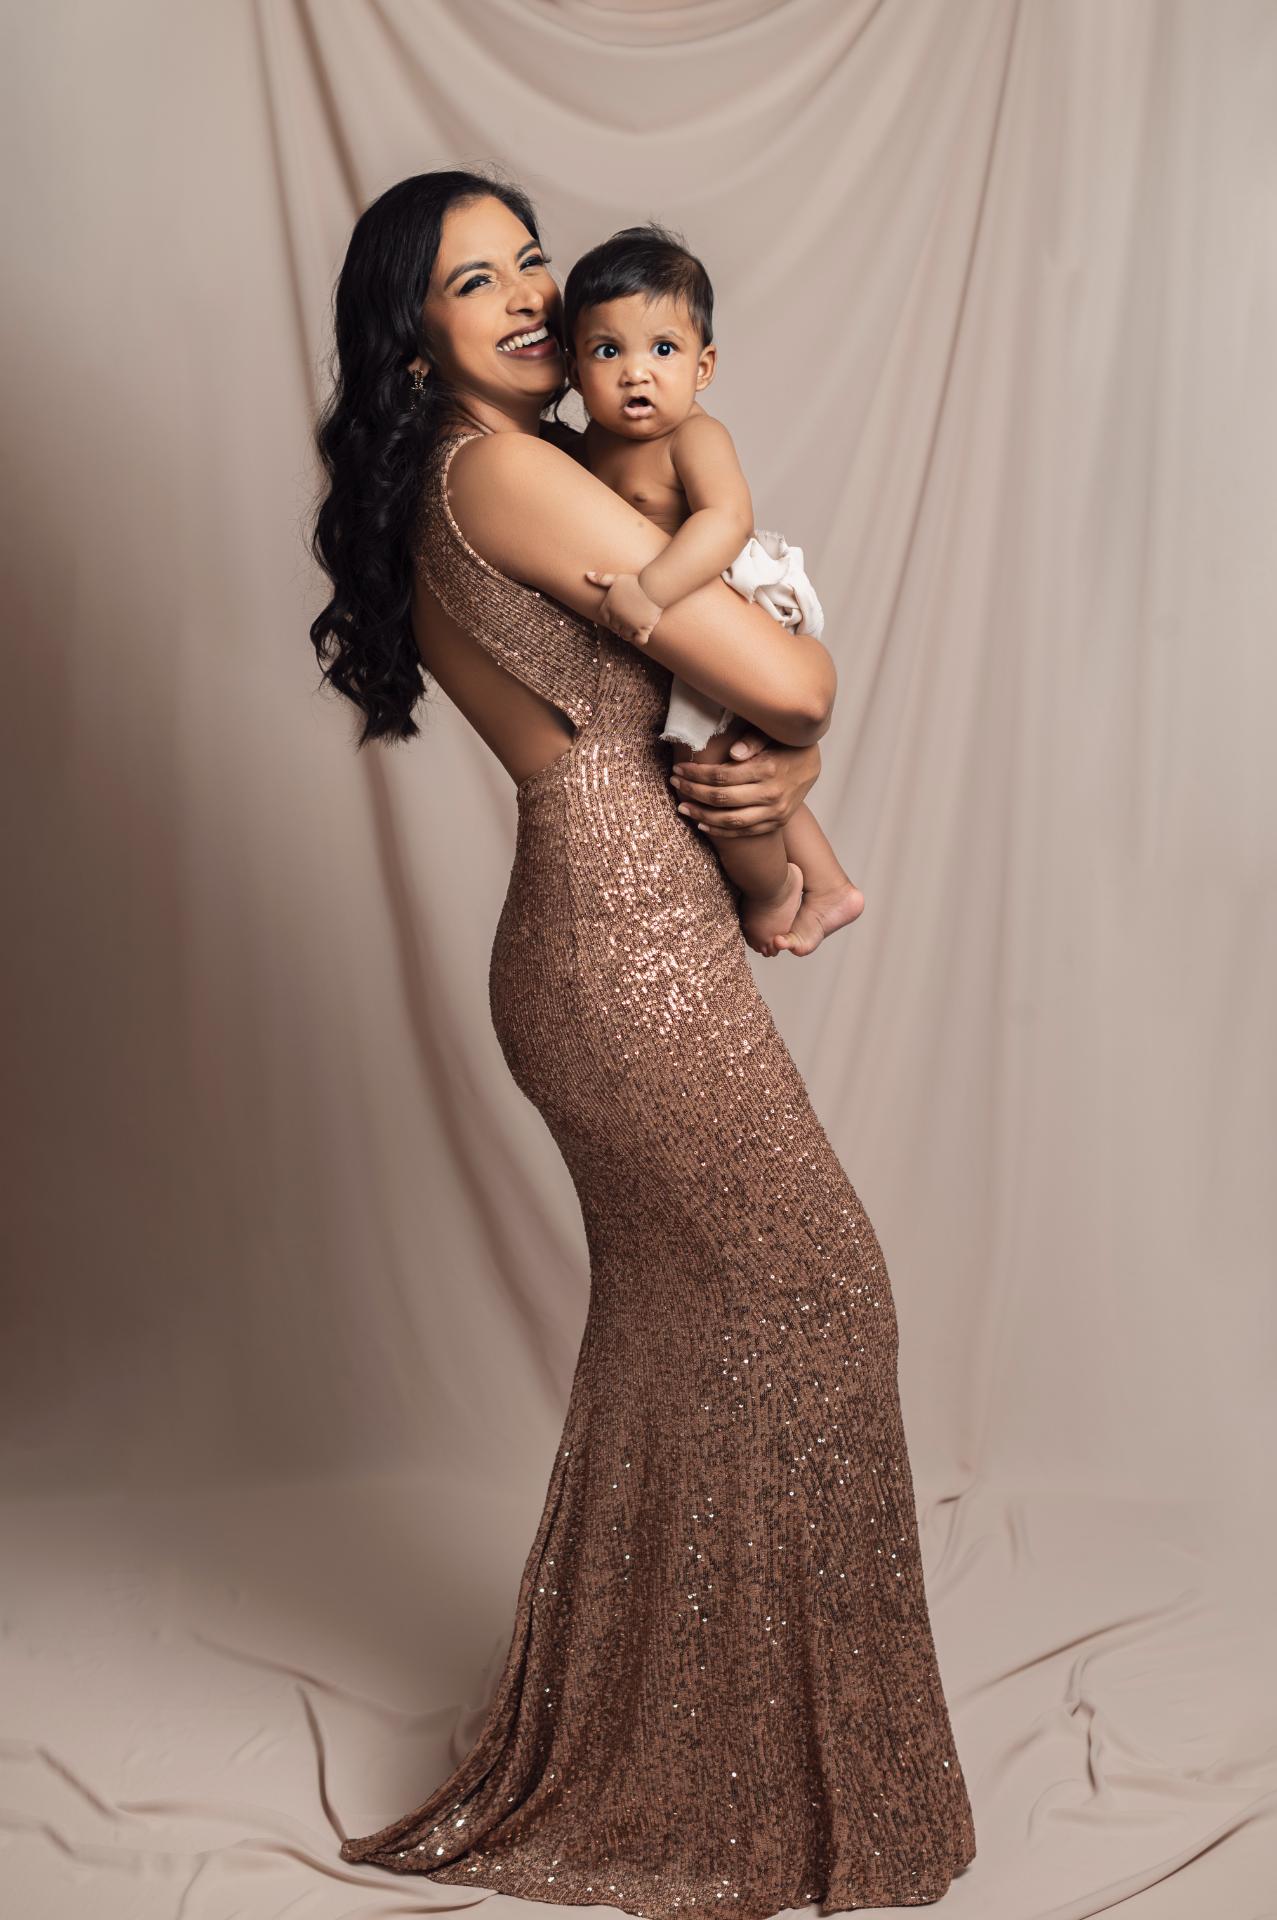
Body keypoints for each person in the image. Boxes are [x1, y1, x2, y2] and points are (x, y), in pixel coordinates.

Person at [311, 168, 976, 1917]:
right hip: (618, 942)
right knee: (816, 1298)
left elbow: (709, 701)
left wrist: (782, 767)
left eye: (531, 258)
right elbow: (790, 680)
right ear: (412, 343)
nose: (532, 293)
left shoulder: (484, 475)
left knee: (686, 1343)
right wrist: (799, 738)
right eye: (476, 280)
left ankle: (676, 1747)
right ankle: (715, 1776)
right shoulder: (507, 472)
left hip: (613, 915)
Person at [564, 223, 865, 959]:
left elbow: (727, 520)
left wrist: (650, 589)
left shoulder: (693, 437)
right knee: (743, 763)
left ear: (703, 367)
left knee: (714, 771)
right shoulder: (586, 444)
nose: (636, 373)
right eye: (608, 352)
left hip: (713, 599)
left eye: (663, 350)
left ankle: (773, 891)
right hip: (673, 631)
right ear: (573, 370)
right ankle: (830, 884)